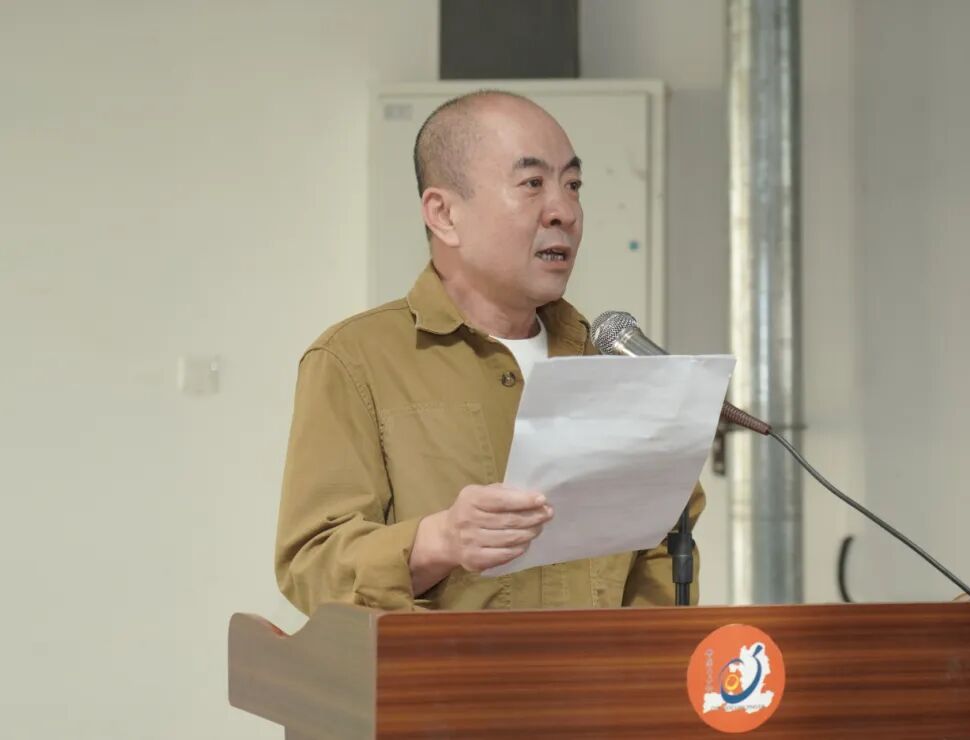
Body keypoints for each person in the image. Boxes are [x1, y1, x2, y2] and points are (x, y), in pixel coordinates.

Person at [275, 90, 704, 613]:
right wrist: (438, 540)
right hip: (442, 668)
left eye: (573, 185)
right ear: (444, 214)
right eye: (532, 184)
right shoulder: (354, 360)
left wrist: (634, 658)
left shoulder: (610, 363)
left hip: (600, 669)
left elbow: (663, 552)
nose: (564, 211)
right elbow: (312, 566)